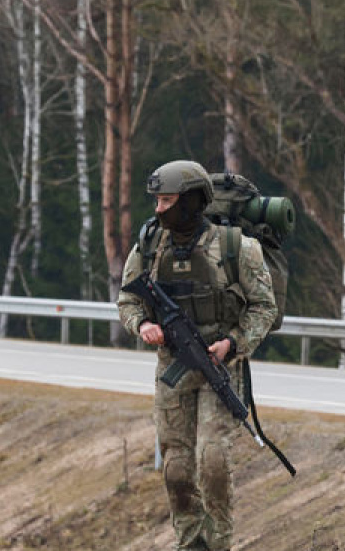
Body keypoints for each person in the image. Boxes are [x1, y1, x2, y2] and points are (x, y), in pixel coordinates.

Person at [117, 160, 277, 551]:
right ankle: (190, 542)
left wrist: (234, 343)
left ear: (191, 201)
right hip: (173, 366)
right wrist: (142, 326)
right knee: (176, 467)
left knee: (214, 462)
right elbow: (128, 300)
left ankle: (219, 543)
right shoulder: (150, 246)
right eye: (156, 201)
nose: (159, 209)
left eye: (167, 201)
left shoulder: (236, 249)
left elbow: (263, 307)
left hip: (219, 366)